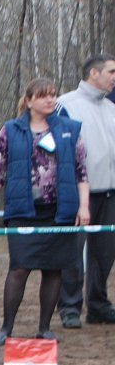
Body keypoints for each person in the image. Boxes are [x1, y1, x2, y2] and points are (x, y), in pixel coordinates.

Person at [0, 78, 89, 346]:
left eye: (53, 95)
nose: (50, 100)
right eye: (43, 96)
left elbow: (81, 172)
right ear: (29, 101)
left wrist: (84, 206)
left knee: (53, 270)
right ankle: (6, 328)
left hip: (59, 211)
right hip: (22, 211)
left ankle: (44, 328)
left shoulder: (70, 129)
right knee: (19, 268)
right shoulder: (10, 130)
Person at [56, 54, 115, 328]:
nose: (114, 78)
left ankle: (98, 305)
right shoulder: (66, 105)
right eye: (111, 72)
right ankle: (69, 307)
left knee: (105, 252)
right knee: (72, 251)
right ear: (94, 73)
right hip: (77, 192)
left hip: (109, 191)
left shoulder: (111, 107)